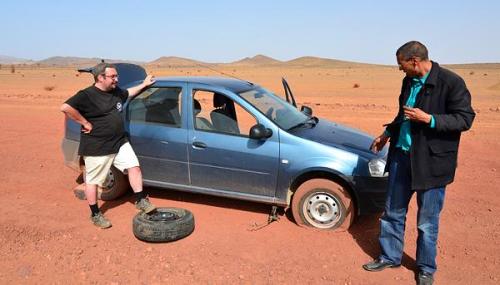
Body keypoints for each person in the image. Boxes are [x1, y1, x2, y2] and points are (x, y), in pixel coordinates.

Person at [362, 41, 475, 285]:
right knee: (393, 212)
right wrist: (387, 134)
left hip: (432, 163)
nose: (400, 70)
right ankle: (389, 256)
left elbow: (465, 119)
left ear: (414, 61)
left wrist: (430, 119)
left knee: (427, 221)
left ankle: (425, 268)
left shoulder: (451, 83)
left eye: (401, 65)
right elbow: (402, 114)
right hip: (402, 157)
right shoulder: (408, 82)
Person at [60, 63, 156, 229]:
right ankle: (95, 214)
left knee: (134, 167)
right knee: (93, 181)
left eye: (116, 76)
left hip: (119, 141)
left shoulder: (116, 91)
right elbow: (66, 107)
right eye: (113, 77)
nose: (116, 79)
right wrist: (84, 122)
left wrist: (144, 85)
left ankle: (140, 200)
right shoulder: (87, 95)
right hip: (98, 145)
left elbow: (128, 93)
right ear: (100, 78)